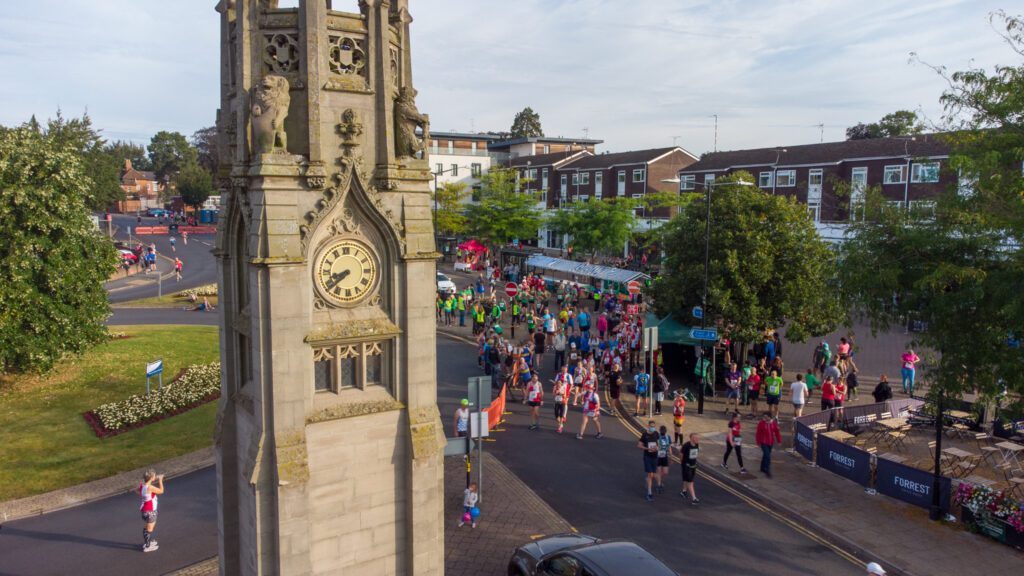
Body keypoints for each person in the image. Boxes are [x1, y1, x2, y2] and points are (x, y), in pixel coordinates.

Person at [138, 469, 165, 552]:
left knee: (146, 527)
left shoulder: (142, 485)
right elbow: (161, 491)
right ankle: (147, 546)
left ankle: (147, 542)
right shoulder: (150, 487)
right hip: (150, 511)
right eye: (154, 476)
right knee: (149, 529)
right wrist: (160, 480)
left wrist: (143, 497)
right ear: (152, 478)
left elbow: (137, 490)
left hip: (144, 510)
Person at [639, 420, 661, 501]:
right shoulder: (645, 435)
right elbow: (639, 445)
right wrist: (648, 448)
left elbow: (658, 444)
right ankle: (649, 493)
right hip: (647, 456)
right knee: (650, 474)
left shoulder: (656, 434)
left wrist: (657, 448)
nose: (652, 428)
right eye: (651, 426)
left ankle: (648, 481)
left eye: (654, 426)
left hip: (655, 456)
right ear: (648, 426)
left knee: (653, 474)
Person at [676, 433, 700, 504]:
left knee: (687, 479)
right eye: (696, 438)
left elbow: (696, 453)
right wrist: (683, 463)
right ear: (692, 438)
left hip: (693, 465)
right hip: (687, 466)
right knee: (690, 482)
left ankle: (684, 491)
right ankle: (694, 498)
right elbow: (680, 455)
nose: (697, 439)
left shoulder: (696, 444)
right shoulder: (686, 445)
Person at [756, 412, 782, 478]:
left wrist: (779, 441)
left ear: (769, 417)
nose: (764, 418)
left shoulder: (774, 423)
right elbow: (758, 433)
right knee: (768, 456)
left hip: (771, 442)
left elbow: (777, 432)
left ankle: (762, 467)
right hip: (763, 442)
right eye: (764, 417)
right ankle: (767, 470)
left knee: (765, 455)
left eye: (766, 417)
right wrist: (758, 442)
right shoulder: (761, 423)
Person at [552, 367, 571, 434]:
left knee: (562, 413)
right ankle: (560, 422)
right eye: (558, 383)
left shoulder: (564, 387)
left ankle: (560, 425)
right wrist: (556, 393)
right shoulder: (555, 387)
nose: (559, 384)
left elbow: (565, 395)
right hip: (557, 401)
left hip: (562, 401)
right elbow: (553, 395)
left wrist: (562, 393)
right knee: (557, 415)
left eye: (560, 383)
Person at [656, 425, 673, 494]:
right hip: (658, 456)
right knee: (659, 471)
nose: (663, 432)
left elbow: (669, 448)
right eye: (662, 431)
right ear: (660, 431)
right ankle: (659, 485)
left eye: (664, 431)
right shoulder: (657, 437)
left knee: (665, 472)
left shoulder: (668, 437)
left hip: (665, 456)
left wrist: (671, 458)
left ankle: (658, 479)